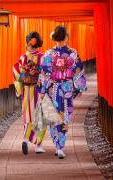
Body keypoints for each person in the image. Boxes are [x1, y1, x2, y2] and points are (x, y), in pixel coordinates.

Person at [38, 26, 87, 159]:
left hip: (53, 89)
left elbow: (44, 73)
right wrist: (80, 87)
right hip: (66, 88)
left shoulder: (48, 54)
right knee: (65, 114)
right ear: (66, 37)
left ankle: (57, 145)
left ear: (54, 37)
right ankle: (60, 146)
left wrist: (42, 90)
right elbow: (78, 70)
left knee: (54, 116)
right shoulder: (73, 53)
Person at [13, 32, 46, 155]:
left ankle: (26, 139)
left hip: (27, 90)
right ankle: (38, 146)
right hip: (39, 90)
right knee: (42, 117)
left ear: (27, 44)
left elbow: (16, 72)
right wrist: (44, 86)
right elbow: (45, 74)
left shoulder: (23, 58)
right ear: (39, 43)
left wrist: (19, 87)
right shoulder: (43, 57)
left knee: (28, 116)